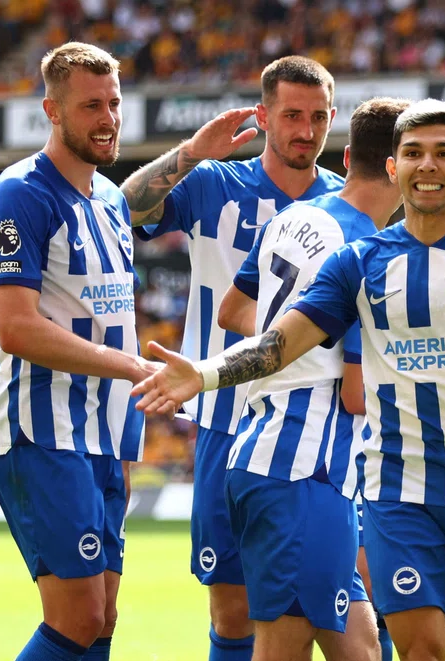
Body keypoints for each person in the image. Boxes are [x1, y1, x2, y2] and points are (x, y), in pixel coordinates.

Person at [130, 99, 445, 661]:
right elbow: (279, 342)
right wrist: (205, 374)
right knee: (418, 652)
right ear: (393, 167)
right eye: (413, 153)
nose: (427, 165)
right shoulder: (357, 260)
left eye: (443, 153)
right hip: (394, 492)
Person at [120, 56, 345, 660]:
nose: (306, 130)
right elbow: (125, 210)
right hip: (226, 419)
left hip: (315, 429)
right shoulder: (216, 184)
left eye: (318, 117)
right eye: (291, 115)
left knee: (332, 609)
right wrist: (192, 153)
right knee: (232, 610)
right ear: (263, 117)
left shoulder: (348, 205)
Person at [0, 42, 156, 661]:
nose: (108, 119)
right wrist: (132, 367)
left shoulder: (110, 200)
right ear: (52, 111)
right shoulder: (19, 195)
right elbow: (16, 328)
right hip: (43, 429)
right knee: (77, 617)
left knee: (103, 616)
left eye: (113, 103)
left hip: (109, 432)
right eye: (90, 106)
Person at [215, 97, 411, 661]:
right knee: (283, 647)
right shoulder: (367, 254)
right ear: (399, 168)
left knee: (362, 648)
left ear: (347, 157)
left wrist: (304, 340)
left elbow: (233, 311)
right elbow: (355, 394)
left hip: (274, 456)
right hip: (303, 468)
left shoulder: (291, 217)